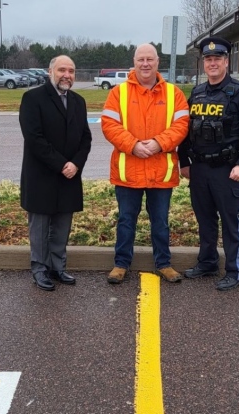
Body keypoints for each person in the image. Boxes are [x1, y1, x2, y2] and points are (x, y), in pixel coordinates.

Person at [100, 43, 190, 284]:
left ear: (157, 62)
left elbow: (181, 126)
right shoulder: (119, 93)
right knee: (126, 220)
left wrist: (159, 143)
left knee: (160, 221)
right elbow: (109, 125)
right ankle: (121, 264)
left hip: (161, 171)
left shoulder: (174, 93)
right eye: (141, 59)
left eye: (150, 59)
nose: (145, 64)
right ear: (134, 62)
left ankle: (164, 264)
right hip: (128, 170)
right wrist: (133, 145)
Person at [178, 37, 239, 291]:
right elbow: (186, 130)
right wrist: (184, 161)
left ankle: (235, 270)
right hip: (200, 168)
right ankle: (208, 262)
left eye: (217, 58)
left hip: (228, 169)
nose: (212, 63)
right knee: (205, 220)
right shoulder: (197, 92)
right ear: (204, 63)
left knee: (230, 221)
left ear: (226, 61)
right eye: (208, 59)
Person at [18, 55, 92, 291]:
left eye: (71, 71)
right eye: (62, 70)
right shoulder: (33, 98)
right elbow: (34, 138)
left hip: (70, 175)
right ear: (50, 71)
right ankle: (39, 268)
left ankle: (57, 267)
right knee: (39, 226)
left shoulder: (78, 101)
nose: (67, 75)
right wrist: (62, 164)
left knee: (62, 224)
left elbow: (86, 138)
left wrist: (76, 164)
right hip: (42, 175)